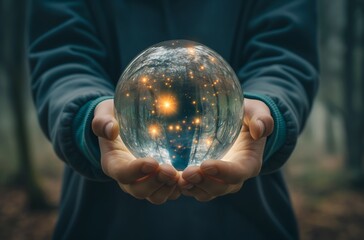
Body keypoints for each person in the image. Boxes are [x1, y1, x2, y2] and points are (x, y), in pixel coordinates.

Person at [28, 0, 318, 239]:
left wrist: (268, 115)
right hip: (106, 221)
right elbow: (62, 58)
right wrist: (87, 118)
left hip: (248, 221)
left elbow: (285, 54)